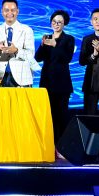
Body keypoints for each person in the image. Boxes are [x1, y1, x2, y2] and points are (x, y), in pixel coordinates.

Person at [36, 10, 76, 141]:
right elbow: (38, 58)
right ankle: (49, 144)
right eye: (54, 21)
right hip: (47, 82)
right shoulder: (47, 37)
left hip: (62, 84)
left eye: (59, 22)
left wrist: (56, 45)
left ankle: (61, 145)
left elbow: (67, 58)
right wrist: (42, 45)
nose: (56, 24)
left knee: (61, 116)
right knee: (48, 116)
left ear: (64, 24)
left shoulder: (69, 39)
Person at [0, 0, 36, 87]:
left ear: (17, 11)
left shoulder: (27, 30)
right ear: (2, 12)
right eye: (6, 10)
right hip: (0, 76)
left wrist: (16, 50)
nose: (9, 13)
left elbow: (30, 54)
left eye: (12, 10)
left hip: (22, 77)